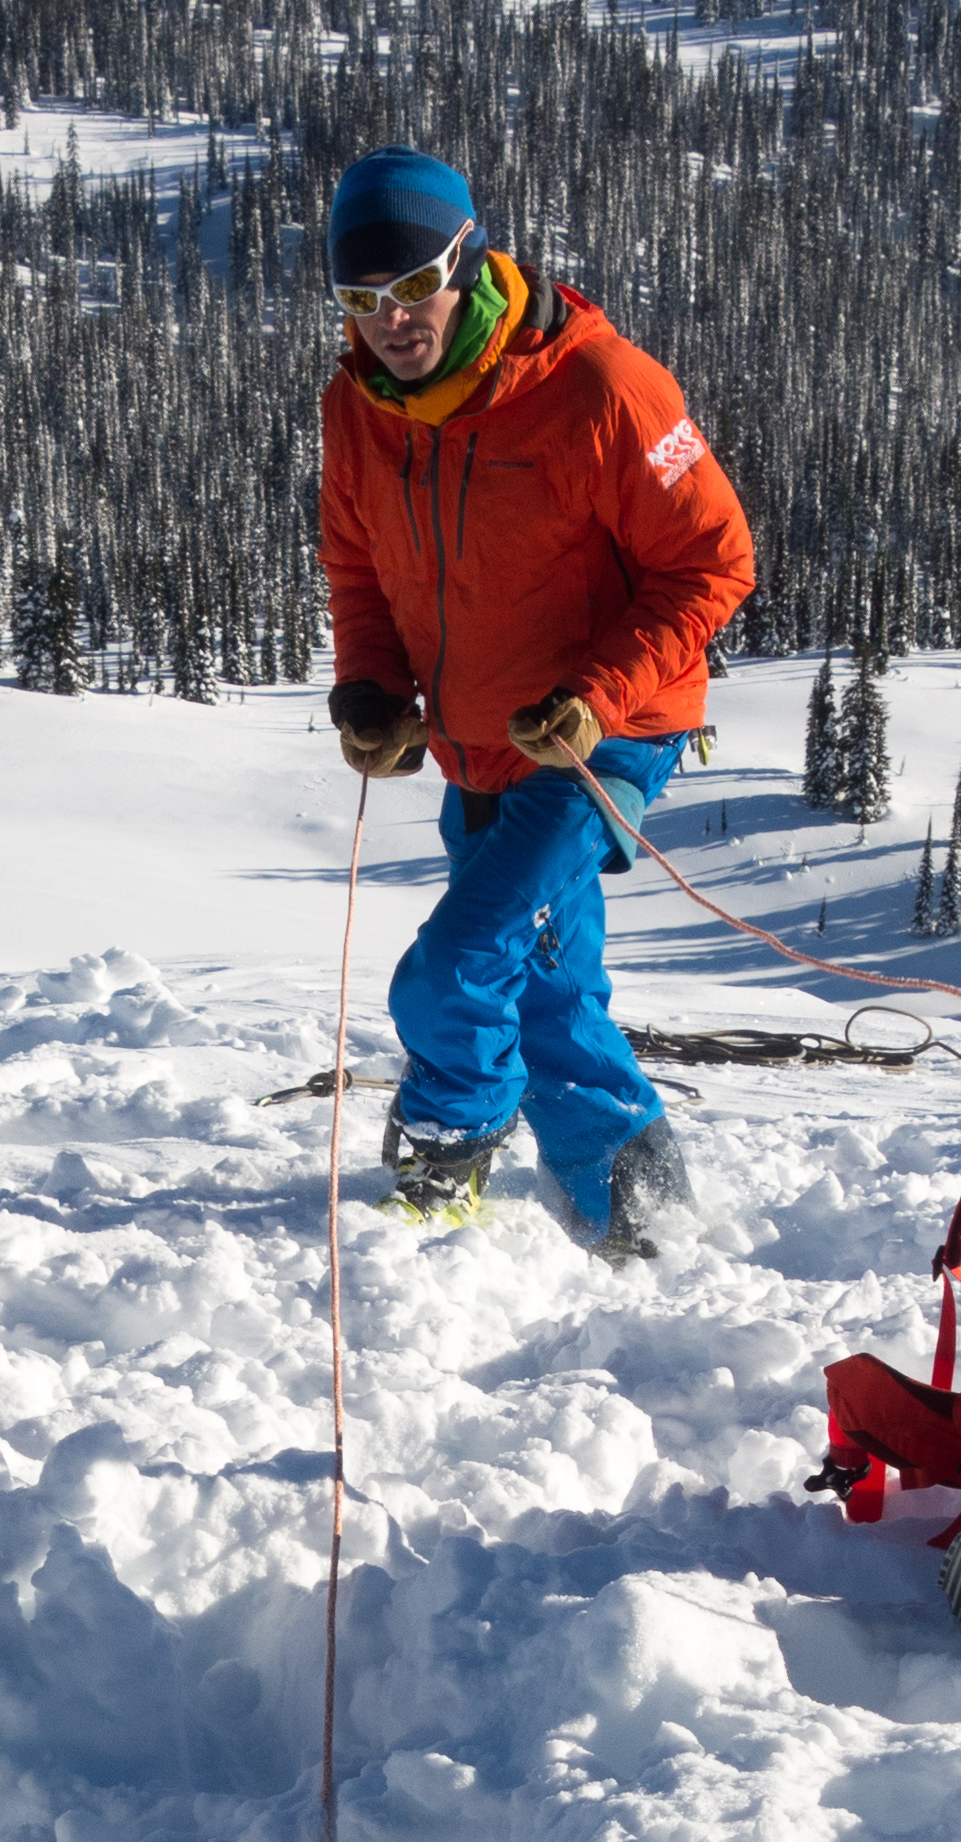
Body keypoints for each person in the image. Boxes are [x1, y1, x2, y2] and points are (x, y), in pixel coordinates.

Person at [316, 148, 755, 1255]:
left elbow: (713, 562)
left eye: (414, 287)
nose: (392, 321)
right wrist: (372, 685)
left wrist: (597, 696)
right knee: (544, 983)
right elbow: (357, 562)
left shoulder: (600, 387)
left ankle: (437, 1178)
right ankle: (639, 1210)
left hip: (599, 741)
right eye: (362, 300)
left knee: (454, 968)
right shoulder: (355, 403)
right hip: (476, 743)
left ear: (466, 260)